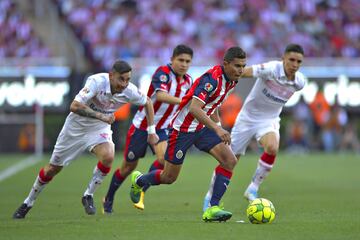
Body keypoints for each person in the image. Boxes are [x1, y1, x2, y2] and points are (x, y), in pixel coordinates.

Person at [13, 60, 159, 219]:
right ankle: (28, 202)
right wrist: (101, 115)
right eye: (121, 79)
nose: (124, 84)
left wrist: (151, 131)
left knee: (108, 156)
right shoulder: (96, 82)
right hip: (75, 128)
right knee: (52, 169)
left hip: (98, 128)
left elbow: (148, 102)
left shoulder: (129, 91)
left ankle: (88, 195)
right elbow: (74, 106)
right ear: (111, 76)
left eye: (127, 80)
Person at [129, 46, 247, 222]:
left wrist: (219, 125)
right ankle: (139, 181)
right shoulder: (211, 80)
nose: (241, 70)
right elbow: (194, 108)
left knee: (230, 160)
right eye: (237, 66)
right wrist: (217, 129)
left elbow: (212, 105)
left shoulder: (231, 80)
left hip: (202, 128)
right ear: (226, 63)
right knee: (168, 177)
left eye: (243, 66)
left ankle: (212, 207)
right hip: (182, 130)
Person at [203, 44, 306, 210]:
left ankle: (253, 188)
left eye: (298, 61)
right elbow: (245, 71)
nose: (294, 64)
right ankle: (209, 197)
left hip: (269, 119)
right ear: (283, 59)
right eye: (291, 59)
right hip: (247, 119)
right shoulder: (272, 69)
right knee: (229, 160)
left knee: (272, 147)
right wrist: (223, 75)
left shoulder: (300, 82)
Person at [102, 44, 194, 213]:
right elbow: (160, 96)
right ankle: (108, 198)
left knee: (164, 160)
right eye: (180, 60)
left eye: (188, 61)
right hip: (142, 126)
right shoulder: (162, 73)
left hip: (163, 128)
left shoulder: (189, 81)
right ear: (172, 59)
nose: (184, 64)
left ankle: (141, 184)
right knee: (127, 167)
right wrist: (183, 102)